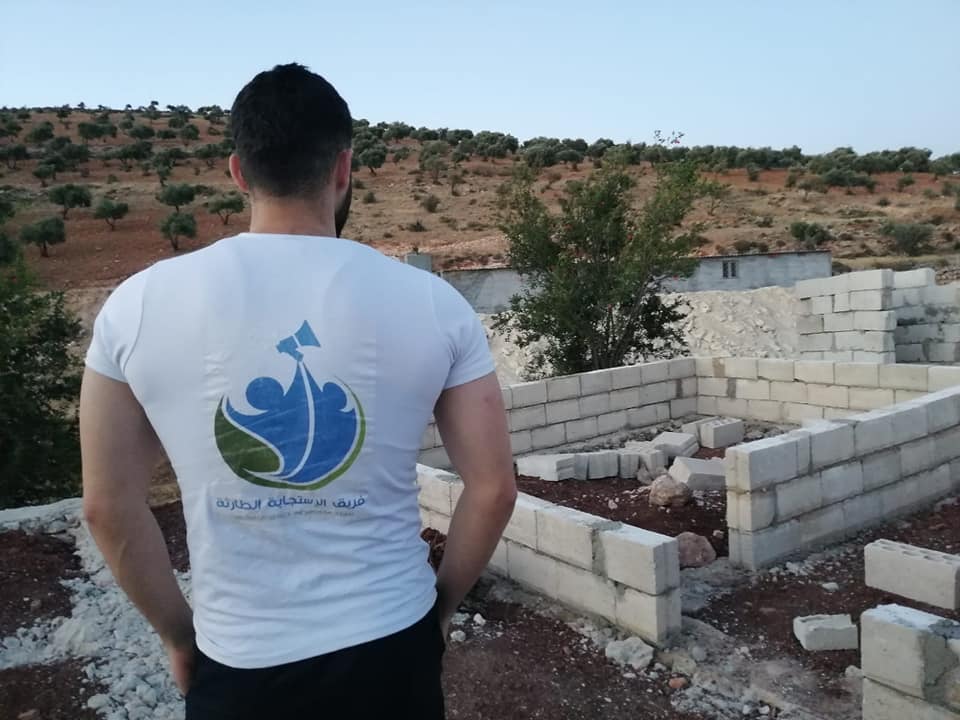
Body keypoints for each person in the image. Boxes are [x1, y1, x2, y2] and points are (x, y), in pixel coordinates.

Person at [79, 63, 517, 720]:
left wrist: (179, 636)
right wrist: (440, 610)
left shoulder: (136, 307)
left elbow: (106, 507)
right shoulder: (433, 304)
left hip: (238, 662)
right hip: (391, 647)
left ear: (238, 172)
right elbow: (494, 489)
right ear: (343, 169)